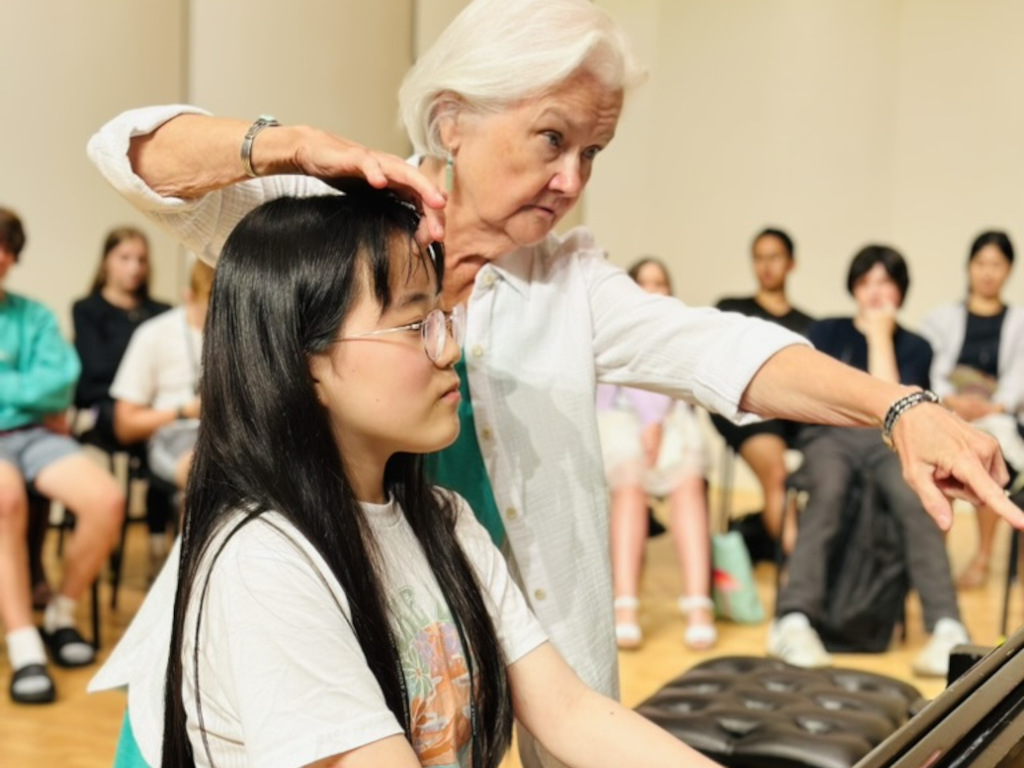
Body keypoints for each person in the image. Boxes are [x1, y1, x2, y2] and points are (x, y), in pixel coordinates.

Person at [87, 0, 1022, 763]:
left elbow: (720, 349)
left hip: (442, 658)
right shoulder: (333, 228)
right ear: (453, 119)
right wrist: (291, 147)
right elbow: (128, 154)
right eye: (550, 139)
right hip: (288, 657)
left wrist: (901, 408)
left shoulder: (558, 289)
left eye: (594, 153)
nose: (572, 178)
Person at [91, 187, 726, 768]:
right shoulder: (263, 560)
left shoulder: (444, 519)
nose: (449, 349)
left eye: (443, 318)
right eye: (416, 324)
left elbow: (571, 712)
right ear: (307, 363)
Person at [769, 245, 968, 678]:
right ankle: (793, 620)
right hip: (830, 437)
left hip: (887, 443)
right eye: (867, 282)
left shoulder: (916, 345)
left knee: (914, 495)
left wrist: (880, 335)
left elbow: (893, 409)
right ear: (854, 287)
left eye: (886, 282)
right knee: (830, 488)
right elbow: (815, 397)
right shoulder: (826, 331)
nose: (875, 292)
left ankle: (947, 626)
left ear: (900, 289)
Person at [0, 207, 125, 704]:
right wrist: (27, 393)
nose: (1, 256)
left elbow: (61, 383)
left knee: (106, 500)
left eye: (9, 248)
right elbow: (42, 388)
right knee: (6, 500)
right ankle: (23, 640)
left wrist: (19, 397)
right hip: (21, 433)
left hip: (36, 436)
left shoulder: (32, 315)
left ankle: (61, 614)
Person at [597, 257, 714, 651]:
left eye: (660, 282)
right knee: (629, 485)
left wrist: (659, 423)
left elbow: (683, 385)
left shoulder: (681, 333)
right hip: (617, 420)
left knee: (690, 483)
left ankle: (699, 604)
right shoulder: (610, 329)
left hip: (672, 424)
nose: (652, 289)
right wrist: (649, 422)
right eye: (643, 281)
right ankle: (624, 605)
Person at [920, 231, 1024, 590]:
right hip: (949, 408)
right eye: (981, 263)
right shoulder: (940, 319)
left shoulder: (1019, 321)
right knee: (938, 456)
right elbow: (928, 366)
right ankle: (936, 563)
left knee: (987, 456)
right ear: (969, 267)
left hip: (995, 415)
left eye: (997, 265)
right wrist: (951, 401)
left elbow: (1018, 378)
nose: (988, 273)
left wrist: (994, 405)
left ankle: (982, 557)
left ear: (1009, 270)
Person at [712, 228, 814, 552]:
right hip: (745, 408)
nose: (766, 266)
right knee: (777, 474)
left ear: (791, 263)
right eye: (758, 258)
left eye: (774, 257)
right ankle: (798, 577)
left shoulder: (810, 324)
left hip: (797, 415)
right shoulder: (731, 308)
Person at [110, 258, 212, 495]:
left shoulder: (241, 337)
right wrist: (185, 411)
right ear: (189, 297)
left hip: (227, 437)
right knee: (205, 475)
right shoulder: (153, 335)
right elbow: (125, 425)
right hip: (175, 436)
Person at [72, 226, 171, 445]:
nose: (134, 268)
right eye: (125, 258)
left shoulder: (162, 312)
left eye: (141, 260)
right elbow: (97, 369)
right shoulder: (87, 310)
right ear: (106, 261)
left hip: (160, 403)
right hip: (108, 404)